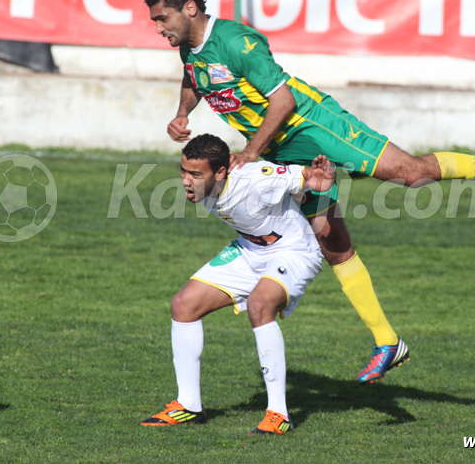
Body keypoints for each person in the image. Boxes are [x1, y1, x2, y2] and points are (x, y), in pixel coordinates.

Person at [140, 0, 475, 385]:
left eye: (163, 18)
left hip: (311, 124)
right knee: (329, 237)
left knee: (412, 174)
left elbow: (284, 99)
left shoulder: (236, 41)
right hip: (279, 147)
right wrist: (182, 113)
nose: (159, 27)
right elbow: (194, 77)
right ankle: (387, 341)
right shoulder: (190, 49)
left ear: (190, 8)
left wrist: (250, 152)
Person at [141, 133, 334, 435]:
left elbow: (306, 176)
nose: (185, 181)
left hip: (294, 251)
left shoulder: (255, 180)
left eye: (194, 174)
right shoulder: (209, 184)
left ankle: (278, 414)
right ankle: (189, 405)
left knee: (259, 305)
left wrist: (318, 178)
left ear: (220, 173)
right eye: (183, 171)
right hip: (250, 251)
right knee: (183, 304)